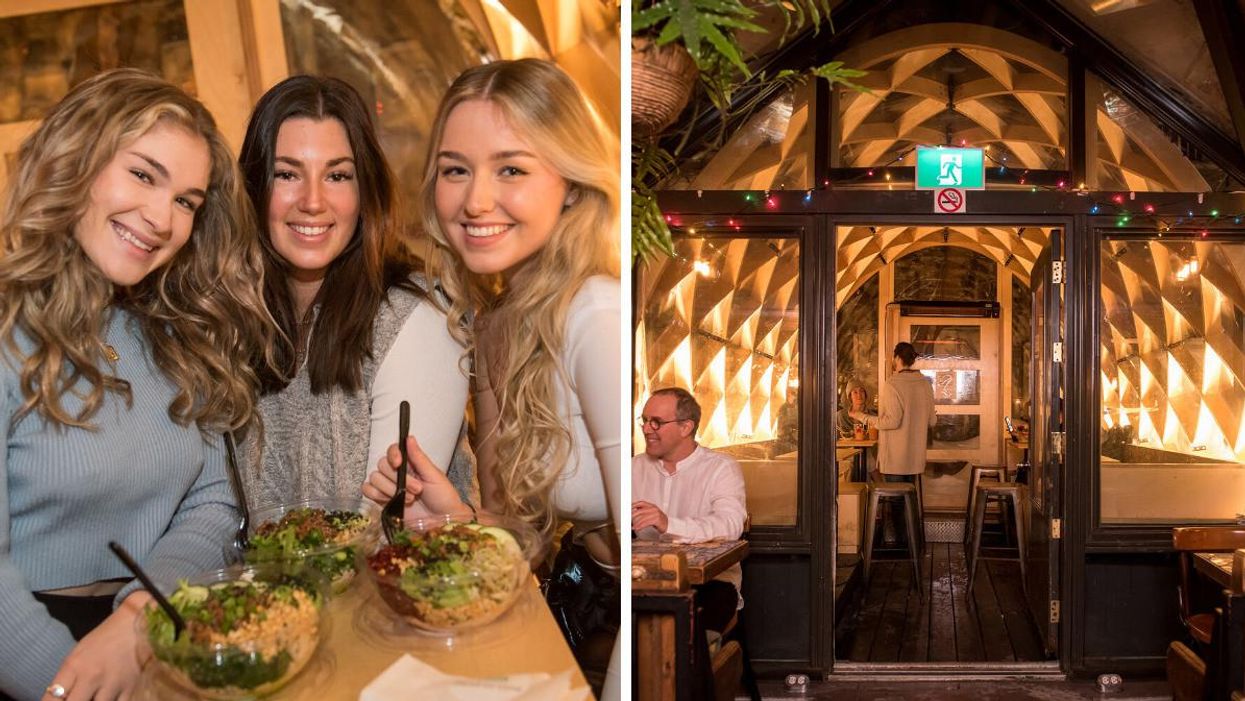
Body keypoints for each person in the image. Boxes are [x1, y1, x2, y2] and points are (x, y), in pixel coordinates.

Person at [0, 69, 273, 701]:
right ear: (77, 159)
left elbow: (215, 504)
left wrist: (140, 618)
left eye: (186, 202)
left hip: (159, 633)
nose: (161, 219)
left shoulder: (176, 333)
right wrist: (70, 686)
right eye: (144, 175)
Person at [361, 59, 621, 699]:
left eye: (511, 169)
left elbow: (643, 566)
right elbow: (521, 535)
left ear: (571, 184)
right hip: (573, 608)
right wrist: (460, 518)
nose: (475, 201)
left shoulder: (596, 313)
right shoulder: (496, 322)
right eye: (456, 170)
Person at [236, 75, 471, 508]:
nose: (312, 201)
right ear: (252, 187)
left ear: (365, 191)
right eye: (286, 174)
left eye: (337, 175)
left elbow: (386, 524)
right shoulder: (235, 317)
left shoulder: (413, 317)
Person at [631, 387, 748, 698]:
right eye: (644, 420)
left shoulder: (720, 467)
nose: (646, 429)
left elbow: (730, 525)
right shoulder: (633, 468)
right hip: (643, 584)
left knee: (679, 639)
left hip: (711, 585)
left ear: (686, 427)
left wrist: (668, 523)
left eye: (656, 422)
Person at [851, 342, 937, 539]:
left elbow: (891, 422)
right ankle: (914, 543)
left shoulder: (892, 384)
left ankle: (901, 545)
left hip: (896, 458)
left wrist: (861, 417)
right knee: (909, 500)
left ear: (897, 358)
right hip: (915, 458)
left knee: (897, 503)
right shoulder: (925, 384)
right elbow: (932, 421)